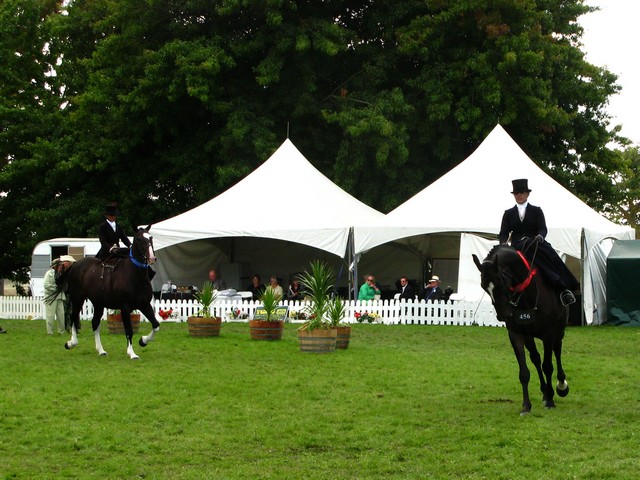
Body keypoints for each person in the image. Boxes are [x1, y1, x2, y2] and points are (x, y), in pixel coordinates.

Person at [499, 178, 579, 305]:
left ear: (527, 194)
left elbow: (542, 228)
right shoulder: (508, 213)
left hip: (535, 242)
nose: (518, 195)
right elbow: (503, 233)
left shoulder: (536, 211)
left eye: (521, 193)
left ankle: (563, 288)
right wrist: (503, 244)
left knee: (551, 256)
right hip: (518, 246)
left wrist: (540, 236)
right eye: (516, 193)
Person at [44, 255, 76, 334]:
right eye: (60, 265)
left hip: (60, 297)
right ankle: (50, 332)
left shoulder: (61, 274)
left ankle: (61, 331)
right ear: (55, 266)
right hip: (51, 297)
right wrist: (56, 289)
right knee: (50, 315)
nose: (61, 267)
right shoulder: (49, 274)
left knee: (61, 315)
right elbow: (46, 285)